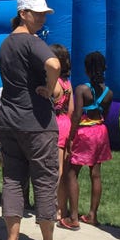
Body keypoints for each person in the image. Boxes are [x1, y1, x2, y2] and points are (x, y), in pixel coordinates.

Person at [0, 0, 60, 240]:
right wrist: (49, 86)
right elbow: (54, 63)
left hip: (10, 122)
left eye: (44, 13)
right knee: (44, 180)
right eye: (38, 13)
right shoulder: (33, 42)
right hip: (38, 123)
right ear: (23, 13)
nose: (43, 17)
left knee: (12, 179)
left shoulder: (6, 43)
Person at [59, 51, 113, 230]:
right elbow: (104, 115)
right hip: (101, 132)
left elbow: (76, 115)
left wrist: (71, 137)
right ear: (104, 68)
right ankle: (92, 215)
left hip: (85, 133)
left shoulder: (82, 89)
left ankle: (73, 218)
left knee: (72, 173)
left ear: (87, 69)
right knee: (96, 174)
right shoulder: (109, 93)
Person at [51, 44, 74, 221]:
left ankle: (54, 208)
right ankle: (62, 208)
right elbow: (71, 109)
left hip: (56, 123)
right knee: (64, 169)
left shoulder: (55, 83)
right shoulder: (68, 83)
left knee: (56, 170)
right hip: (66, 122)